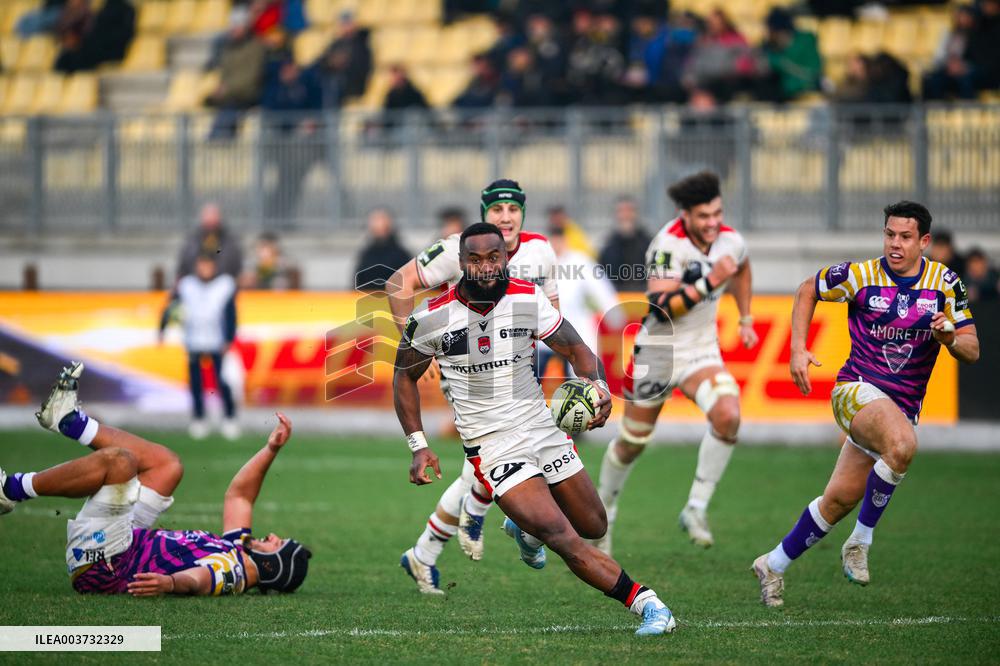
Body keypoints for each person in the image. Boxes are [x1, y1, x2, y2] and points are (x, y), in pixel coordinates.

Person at [393, 224, 676, 636]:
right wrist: (419, 446)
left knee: (594, 525)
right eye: (475, 260)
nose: (486, 267)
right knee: (560, 535)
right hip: (493, 447)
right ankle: (649, 605)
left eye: (494, 257)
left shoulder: (527, 297)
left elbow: (576, 347)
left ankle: (525, 530)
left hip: (542, 428)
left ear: (506, 258)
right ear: (461, 264)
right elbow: (403, 377)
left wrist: (598, 385)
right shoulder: (431, 317)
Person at [752, 201, 980, 608]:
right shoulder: (860, 275)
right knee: (904, 445)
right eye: (890, 234)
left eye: (905, 237)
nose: (895, 243)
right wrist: (798, 349)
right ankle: (859, 543)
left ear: (924, 242)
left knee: (838, 500)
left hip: (899, 407)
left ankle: (773, 563)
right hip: (855, 391)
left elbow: (972, 349)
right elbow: (808, 288)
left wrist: (948, 338)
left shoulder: (946, 284)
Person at [0, 363, 311, 596]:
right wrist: (271, 449)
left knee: (120, 463)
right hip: (126, 542)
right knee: (168, 465)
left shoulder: (235, 570)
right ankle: (70, 421)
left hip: (107, 562)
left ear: (273, 566)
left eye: (276, 543)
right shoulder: (237, 548)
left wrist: (172, 583)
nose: (271, 536)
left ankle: (9, 489)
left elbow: (202, 580)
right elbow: (239, 497)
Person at [386, 179, 558, 587]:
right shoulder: (454, 250)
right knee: (504, 453)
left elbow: (552, 309)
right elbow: (398, 283)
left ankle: (424, 552)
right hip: (469, 371)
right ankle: (489, 517)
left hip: (517, 372)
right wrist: (412, 344)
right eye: (497, 210)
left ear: (522, 213)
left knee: (489, 466)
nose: (505, 217)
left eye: (512, 210)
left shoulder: (541, 251)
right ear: (485, 215)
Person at [594, 171, 757, 554]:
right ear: (684, 214)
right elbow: (664, 305)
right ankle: (605, 512)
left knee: (728, 414)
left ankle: (696, 507)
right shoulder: (667, 246)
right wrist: (708, 282)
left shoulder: (730, 240)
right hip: (659, 350)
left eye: (717, 213)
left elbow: (742, 266)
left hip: (702, 350)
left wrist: (746, 316)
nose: (713, 222)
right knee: (633, 441)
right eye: (704, 216)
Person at [160, 253, 240, 441]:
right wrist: (162, 329)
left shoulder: (224, 285)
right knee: (196, 382)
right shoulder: (187, 285)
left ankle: (229, 418)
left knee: (221, 381)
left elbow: (231, 313)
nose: (204, 269)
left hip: (216, 341)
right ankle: (199, 418)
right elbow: (170, 307)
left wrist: (229, 338)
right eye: (201, 265)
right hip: (194, 341)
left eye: (208, 265)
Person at [538, 220, 624, 380]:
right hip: (544, 334)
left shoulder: (579, 261)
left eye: (559, 239)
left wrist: (614, 314)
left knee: (579, 381)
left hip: (574, 330)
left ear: (565, 240)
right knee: (532, 379)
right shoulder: (538, 263)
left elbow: (600, 288)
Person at [598, 195, 653, 292]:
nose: (625, 215)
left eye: (629, 210)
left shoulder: (649, 244)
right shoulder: (608, 247)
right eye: (621, 211)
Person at [176, 202, 243, 281]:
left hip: (220, 280)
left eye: (213, 216)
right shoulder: (194, 240)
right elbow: (186, 262)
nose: (211, 221)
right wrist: (200, 269)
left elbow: (226, 256)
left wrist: (214, 269)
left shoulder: (226, 241)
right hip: (196, 280)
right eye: (208, 217)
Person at [354, 208, 411, 292]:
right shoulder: (366, 255)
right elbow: (358, 283)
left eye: (381, 219)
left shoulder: (401, 255)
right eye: (375, 220)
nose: (378, 224)